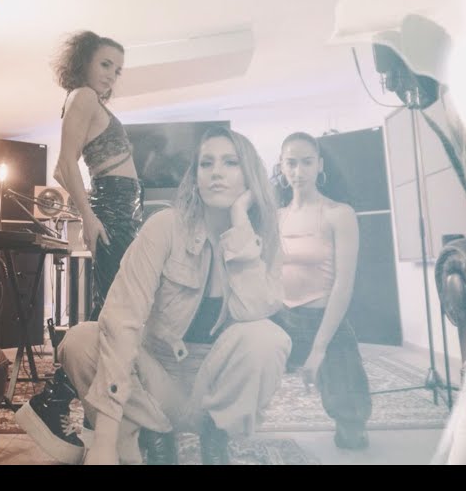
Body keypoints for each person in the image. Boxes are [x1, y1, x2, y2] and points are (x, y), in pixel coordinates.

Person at [52, 126, 290, 465]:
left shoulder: (261, 239)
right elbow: (122, 317)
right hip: (158, 381)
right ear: (195, 177)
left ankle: (215, 436)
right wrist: (104, 439)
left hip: (215, 386)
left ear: (249, 175)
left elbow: (255, 311)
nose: (216, 172)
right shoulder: (164, 226)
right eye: (206, 163)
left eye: (230, 162)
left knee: (268, 337)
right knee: (80, 340)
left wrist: (240, 229)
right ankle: (152, 433)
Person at [14, 31, 145, 463]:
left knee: (108, 312)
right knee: (115, 315)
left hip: (119, 213)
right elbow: (63, 164)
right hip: (111, 212)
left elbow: (67, 167)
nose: (111, 75)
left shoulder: (91, 102)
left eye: (118, 70)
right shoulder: (83, 96)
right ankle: (53, 404)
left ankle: (77, 411)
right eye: (105, 64)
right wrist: (89, 217)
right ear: (85, 61)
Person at [270, 132, 373, 449]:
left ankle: (349, 421)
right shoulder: (277, 217)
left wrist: (319, 348)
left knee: (352, 432)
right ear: (281, 166)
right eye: (291, 163)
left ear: (320, 165)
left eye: (306, 162)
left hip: (323, 319)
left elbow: (344, 284)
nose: (298, 171)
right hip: (281, 318)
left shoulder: (339, 214)